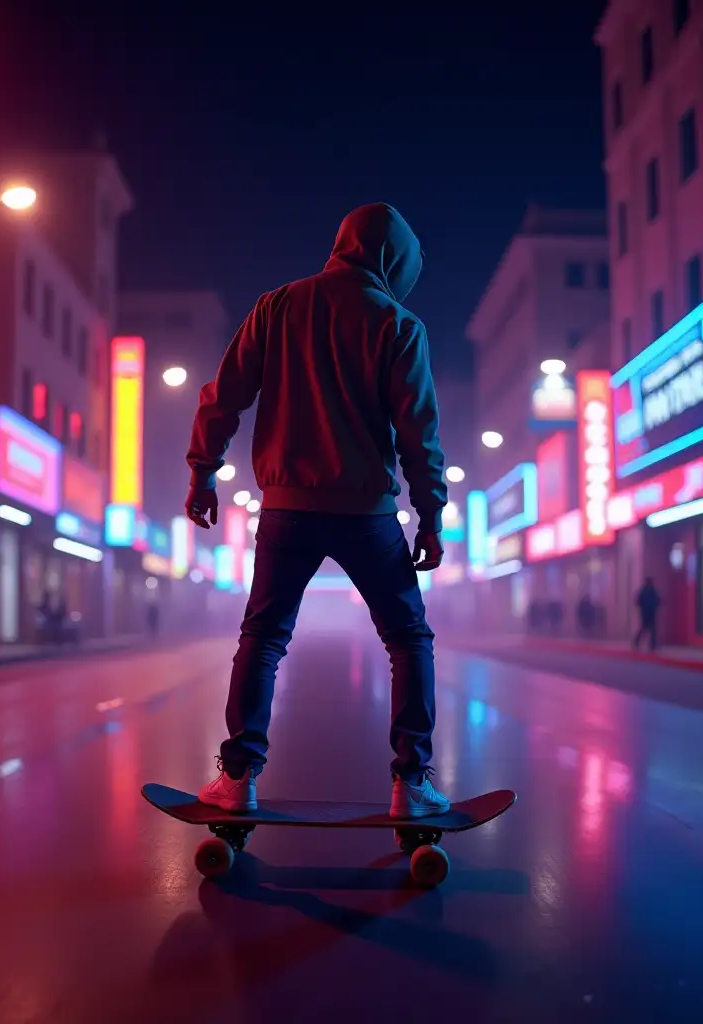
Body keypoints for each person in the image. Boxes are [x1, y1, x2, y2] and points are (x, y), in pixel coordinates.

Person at [184, 203, 449, 819]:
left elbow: (224, 397)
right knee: (408, 639)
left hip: (287, 509)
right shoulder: (399, 325)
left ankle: (237, 777)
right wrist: (430, 515)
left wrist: (203, 472)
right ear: (396, 260)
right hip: (369, 514)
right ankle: (411, 784)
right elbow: (419, 432)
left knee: (264, 637)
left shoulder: (276, 307)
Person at [633, 577, 660, 651]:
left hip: (647, 612)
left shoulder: (645, 590)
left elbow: (638, 601)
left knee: (647, 628)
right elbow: (657, 600)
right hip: (649, 612)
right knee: (649, 628)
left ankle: (652, 645)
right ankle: (652, 645)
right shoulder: (651, 590)